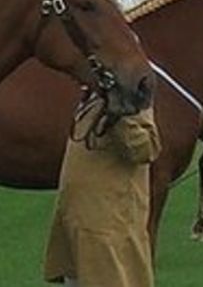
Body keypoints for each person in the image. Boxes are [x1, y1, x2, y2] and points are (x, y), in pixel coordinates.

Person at [44, 90, 161, 287]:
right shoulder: (94, 95)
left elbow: (145, 148)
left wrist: (119, 117)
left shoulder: (130, 96)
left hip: (107, 223)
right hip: (79, 219)